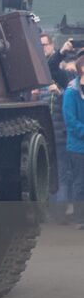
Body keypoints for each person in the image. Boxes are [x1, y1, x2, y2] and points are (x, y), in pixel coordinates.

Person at [64, 60, 84, 226]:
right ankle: (80, 218)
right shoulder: (71, 92)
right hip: (78, 146)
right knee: (80, 182)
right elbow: (70, 120)